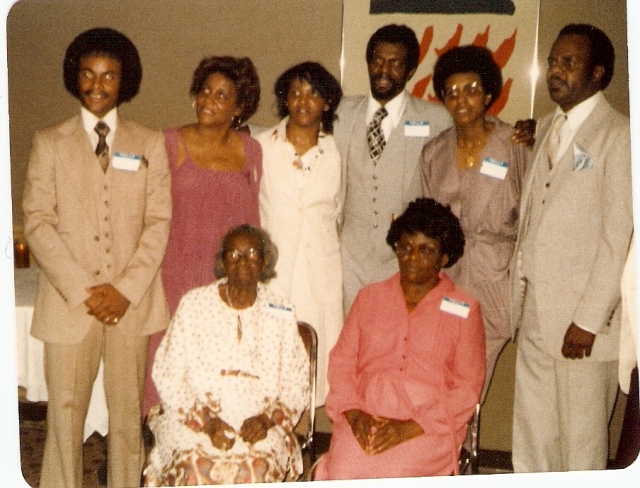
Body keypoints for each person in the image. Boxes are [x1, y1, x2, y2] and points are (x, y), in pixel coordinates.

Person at [22, 28, 171, 488]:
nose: (98, 84)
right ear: (75, 77)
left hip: (131, 304)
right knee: (64, 417)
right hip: (70, 305)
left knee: (128, 418)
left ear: (124, 80)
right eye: (88, 74)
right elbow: (37, 221)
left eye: (109, 75)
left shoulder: (148, 142)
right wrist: (86, 291)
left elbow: (158, 222)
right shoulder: (49, 141)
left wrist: (122, 291)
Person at [510, 24, 632, 472]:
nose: (554, 71)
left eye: (569, 62)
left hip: (583, 326)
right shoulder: (547, 127)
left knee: (581, 445)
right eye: (552, 61)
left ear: (599, 73)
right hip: (535, 314)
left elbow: (619, 237)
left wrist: (589, 320)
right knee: (533, 435)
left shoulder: (620, 136)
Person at [315, 198, 485, 479]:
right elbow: (342, 363)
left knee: (396, 472)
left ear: (444, 257)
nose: (412, 258)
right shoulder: (369, 298)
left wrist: (410, 426)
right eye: (405, 247)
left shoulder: (465, 309)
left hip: (429, 425)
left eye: (426, 250)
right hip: (365, 414)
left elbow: (467, 388)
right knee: (345, 471)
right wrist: (353, 413)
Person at [142, 56, 262, 418]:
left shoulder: (251, 151)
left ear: (239, 108)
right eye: (205, 91)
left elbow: (253, 219)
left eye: (222, 96)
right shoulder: (167, 143)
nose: (208, 100)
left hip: (226, 277)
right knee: (167, 360)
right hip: (175, 273)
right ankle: (159, 446)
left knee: (218, 361)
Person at [143, 224, 309, 485]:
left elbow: (297, 383)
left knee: (256, 470)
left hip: (260, 422)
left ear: (265, 261)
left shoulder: (282, 312)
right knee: (194, 468)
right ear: (222, 262)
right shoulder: (194, 304)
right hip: (193, 417)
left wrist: (266, 420)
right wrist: (207, 422)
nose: (243, 261)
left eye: (253, 253)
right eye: (233, 255)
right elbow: (167, 374)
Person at [421, 45, 530, 402]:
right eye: (451, 92)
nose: (461, 100)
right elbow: (426, 218)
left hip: (494, 276)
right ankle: (448, 449)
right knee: (442, 369)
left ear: (487, 94)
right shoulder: (434, 151)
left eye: (471, 89)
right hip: (449, 277)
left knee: (474, 375)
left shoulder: (515, 144)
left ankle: (459, 446)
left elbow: (533, 213)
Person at [335, 24, 452, 315]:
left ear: (410, 70)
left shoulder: (436, 119)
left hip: (405, 257)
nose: (383, 70)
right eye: (377, 60)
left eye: (395, 63)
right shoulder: (340, 113)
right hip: (349, 257)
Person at [258, 61, 343, 406]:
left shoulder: (337, 153)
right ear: (285, 100)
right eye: (295, 92)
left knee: (314, 362)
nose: (303, 101)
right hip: (274, 272)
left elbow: (339, 212)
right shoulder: (262, 146)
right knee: (270, 361)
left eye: (313, 93)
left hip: (318, 272)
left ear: (326, 103)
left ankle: (300, 440)